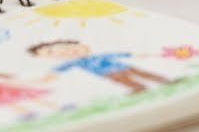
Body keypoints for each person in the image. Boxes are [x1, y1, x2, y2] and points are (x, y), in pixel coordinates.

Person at [27, 39, 170, 92]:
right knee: (124, 80)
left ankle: (164, 81)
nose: (64, 52)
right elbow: (59, 69)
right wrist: (46, 78)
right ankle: (139, 88)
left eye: (68, 47)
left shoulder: (96, 55)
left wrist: (135, 55)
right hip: (108, 73)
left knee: (144, 74)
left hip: (122, 66)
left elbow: (115, 54)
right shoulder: (75, 61)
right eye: (51, 53)